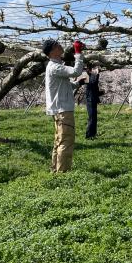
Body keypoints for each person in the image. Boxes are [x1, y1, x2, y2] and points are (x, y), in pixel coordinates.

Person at [44, 38, 85, 172]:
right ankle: (63, 173)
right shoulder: (54, 67)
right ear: (52, 51)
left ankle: (55, 169)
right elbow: (75, 72)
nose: (61, 46)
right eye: (57, 45)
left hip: (59, 109)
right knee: (66, 141)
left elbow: (65, 84)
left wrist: (78, 84)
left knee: (59, 140)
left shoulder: (55, 66)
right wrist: (78, 52)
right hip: (63, 110)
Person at [81, 64, 105, 139]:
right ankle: (88, 135)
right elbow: (93, 82)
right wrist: (97, 74)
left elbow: (94, 89)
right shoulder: (87, 76)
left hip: (93, 100)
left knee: (94, 118)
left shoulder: (91, 76)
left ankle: (93, 134)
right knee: (91, 118)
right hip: (90, 100)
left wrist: (101, 92)